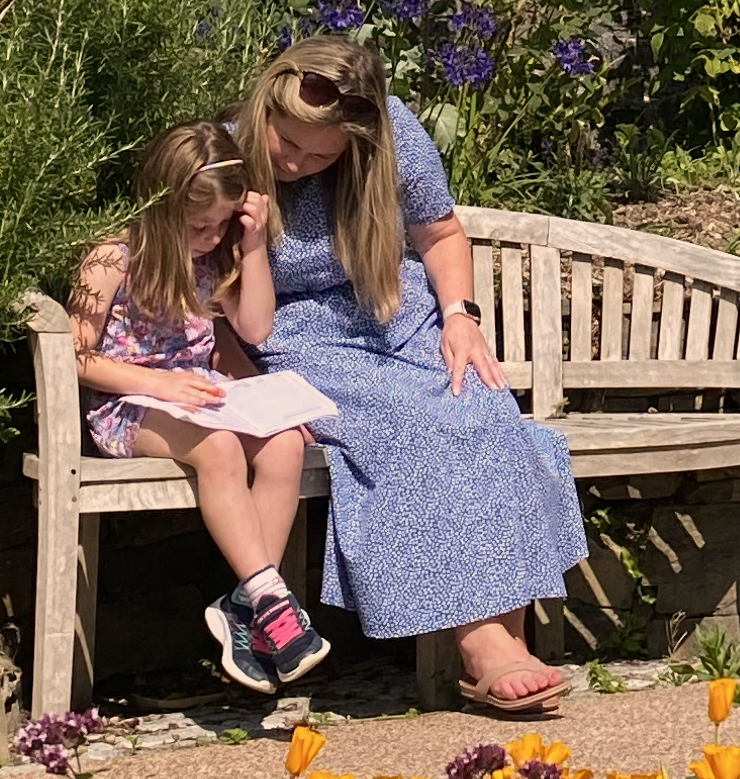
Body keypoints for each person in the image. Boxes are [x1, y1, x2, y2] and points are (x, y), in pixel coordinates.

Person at [243, 35, 585, 716]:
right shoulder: (229, 152)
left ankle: (503, 645)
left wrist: (460, 315)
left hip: (397, 318)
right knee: (416, 423)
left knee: (483, 409)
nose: (294, 162)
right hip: (300, 338)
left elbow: (439, 234)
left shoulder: (395, 133)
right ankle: (487, 648)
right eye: (285, 142)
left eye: (318, 153)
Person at [67, 118, 330, 697]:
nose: (210, 238)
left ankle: (247, 603)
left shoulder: (216, 259)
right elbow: (76, 356)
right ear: (160, 207)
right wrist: (158, 386)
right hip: (130, 404)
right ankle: (269, 598)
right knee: (219, 450)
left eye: (221, 225)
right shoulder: (114, 259)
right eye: (197, 225)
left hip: (201, 397)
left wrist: (254, 245)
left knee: (286, 443)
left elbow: (254, 326)